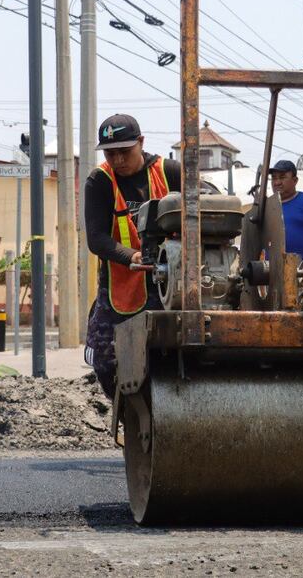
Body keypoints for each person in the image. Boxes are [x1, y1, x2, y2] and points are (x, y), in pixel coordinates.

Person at [83, 114, 181, 398]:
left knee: (170, 358)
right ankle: (129, 413)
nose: (117, 160)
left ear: (141, 142)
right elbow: (97, 238)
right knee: (105, 361)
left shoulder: (170, 172)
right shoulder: (100, 181)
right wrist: (132, 257)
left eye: (124, 151)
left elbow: (205, 210)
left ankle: (163, 411)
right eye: (110, 153)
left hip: (171, 285)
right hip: (121, 287)